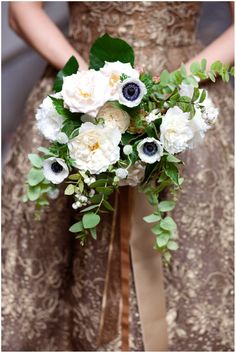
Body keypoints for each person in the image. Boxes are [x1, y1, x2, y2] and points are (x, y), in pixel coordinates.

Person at [2, 2, 234, 351]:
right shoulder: (84, 84)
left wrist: (174, 88)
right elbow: (21, 11)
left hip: (182, 98)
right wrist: (88, 82)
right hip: (80, 93)